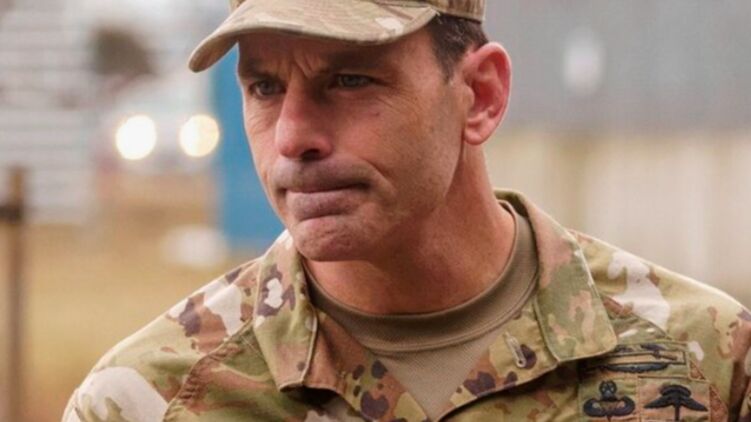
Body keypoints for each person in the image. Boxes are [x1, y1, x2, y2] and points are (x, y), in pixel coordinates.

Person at [65, 1, 751, 420]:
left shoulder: (708, 363)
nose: (292, 137)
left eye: (349, 80)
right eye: (264, 88)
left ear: (480, 96)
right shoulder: (147, 399)